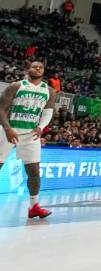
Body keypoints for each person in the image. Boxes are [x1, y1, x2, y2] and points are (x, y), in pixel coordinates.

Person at [0, 60, 56, 219]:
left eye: (40, 67)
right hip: (9, 131)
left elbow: (48, 111)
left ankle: (34, 207)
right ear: (28, 69)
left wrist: (41, 127)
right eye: (34, 66)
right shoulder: (16, 86)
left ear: (43, 71)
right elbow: (1, 109)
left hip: (31, 134)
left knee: (34, 171)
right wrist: (7, 128)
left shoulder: (49, 90)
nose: (37, 68)